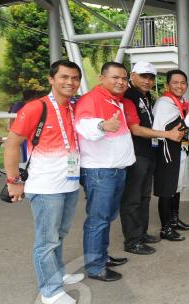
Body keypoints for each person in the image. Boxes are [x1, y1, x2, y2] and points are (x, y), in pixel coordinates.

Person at [3, 60, 84, 304]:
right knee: (46, 240)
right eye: (64, 77)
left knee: (59, 234)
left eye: (74, 78)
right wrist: (13, 181)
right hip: (45, 187)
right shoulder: (36, 108)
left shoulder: (72, 108)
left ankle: (57, 273)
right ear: (51, 79)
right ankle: (50, 290)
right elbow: (12, 144)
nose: (70, 82)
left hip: (69, 183)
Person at [75, 61, 138, 282]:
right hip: (100, 171)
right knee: (98, 219)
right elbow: (82, 125)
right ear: (102, 78)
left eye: (123, 78)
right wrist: (102, 126)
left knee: (107, 217)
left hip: (116, 169)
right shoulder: (91, 99)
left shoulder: (115, 101)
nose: (121, 82)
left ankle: (102, 256)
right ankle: (95, 267)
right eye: (115, 77)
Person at [119, 62, 183, 255]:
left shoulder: (145, 97)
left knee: (144, 197)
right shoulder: (129, 97)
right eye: (143, 76)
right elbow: (135, 128)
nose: (147, 81)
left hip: (148, 153)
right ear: (133, 76)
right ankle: (132, 241)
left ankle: (142, 234)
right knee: (132, 199)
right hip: (135, 154)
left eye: (151, 77)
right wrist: (166, 134)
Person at [152, 70, 189, 242]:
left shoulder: (180, 102)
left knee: (176, 187)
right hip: (166, 149)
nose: (179, 85)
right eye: (175, 82)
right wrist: (184, 123)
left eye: (183, 82)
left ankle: (174, 220)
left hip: (179, 149)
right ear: (168, 85)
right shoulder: (164, 102)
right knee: (167, 189)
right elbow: (159, 129)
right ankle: (166, 227)